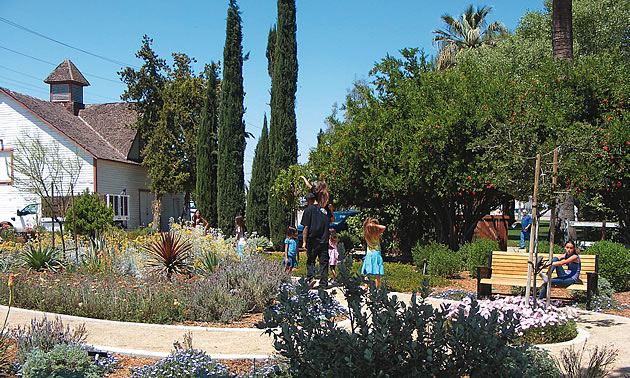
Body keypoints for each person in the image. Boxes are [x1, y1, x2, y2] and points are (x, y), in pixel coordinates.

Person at [301, 188, 331, 289]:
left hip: (312, 240)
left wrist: (304, 242)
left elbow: (306, 227)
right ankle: (323, 283)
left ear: (309, 200)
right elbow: (332, 220)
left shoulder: (308, 210)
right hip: (324, 240)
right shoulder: (325, 209)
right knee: (324, 262)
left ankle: (311, 278)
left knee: (311, 260)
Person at [361, 217, 386, 288]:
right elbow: (384, 227)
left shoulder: (366, 234)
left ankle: (366, 288)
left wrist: (370, 225)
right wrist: (375, 225)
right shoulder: (377, 234)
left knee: (367, 273)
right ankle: (377, 289)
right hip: (376, 253)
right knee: (377, 273)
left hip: (369, 254)